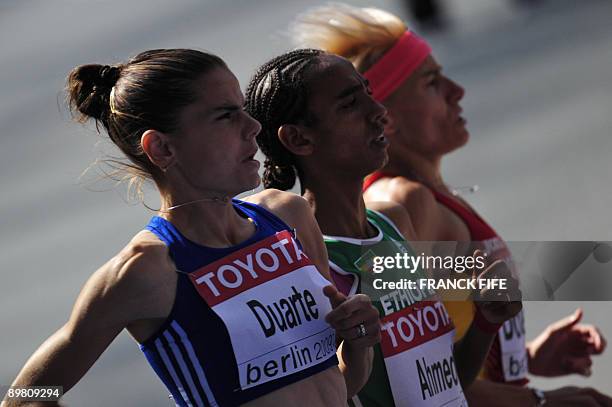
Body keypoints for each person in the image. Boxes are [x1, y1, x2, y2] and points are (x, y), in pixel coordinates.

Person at [3, 48, 380, 407]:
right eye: (225, 116)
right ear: (162, 149)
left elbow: (339, 384)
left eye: (244, 111)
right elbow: (27, 395)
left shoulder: (289, 217)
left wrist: (358, 343)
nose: (253, 127)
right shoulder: (145, 271)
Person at [292, 4, 611, 406]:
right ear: (386, 118)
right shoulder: (401, 202)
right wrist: (541, 401)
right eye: (431, 82)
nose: (456, 91)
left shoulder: (427, 193)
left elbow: (437, 335)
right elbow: (409, 375)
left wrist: (519, 358)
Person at [245, 48, 522, 407]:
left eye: (369, 94)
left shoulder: (391, 221)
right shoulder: (302, 260)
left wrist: (486, 321)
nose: (377, 113)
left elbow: (443, 377)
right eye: (349, 106)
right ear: (299, 139)